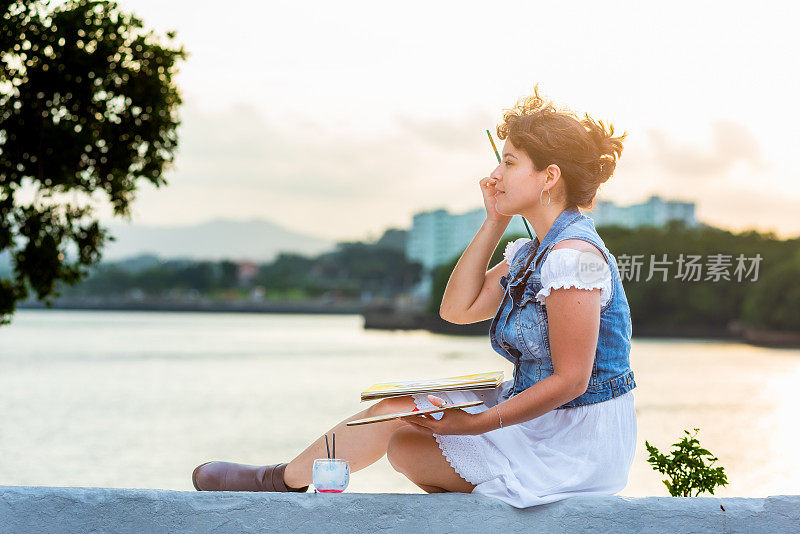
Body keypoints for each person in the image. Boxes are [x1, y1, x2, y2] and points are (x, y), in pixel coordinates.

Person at [192, 85, 637, 508]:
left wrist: (477, 422)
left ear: (549, 177)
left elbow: (572, 381)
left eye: (510, 163)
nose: (494, 175)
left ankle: (285, 482)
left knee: (407, 447)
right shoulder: (531, 252)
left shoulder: (575, 258)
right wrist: (494, 221)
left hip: (574, 443)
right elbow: (456, 310)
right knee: (398, 413)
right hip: (535, 419)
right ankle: (282, 479)